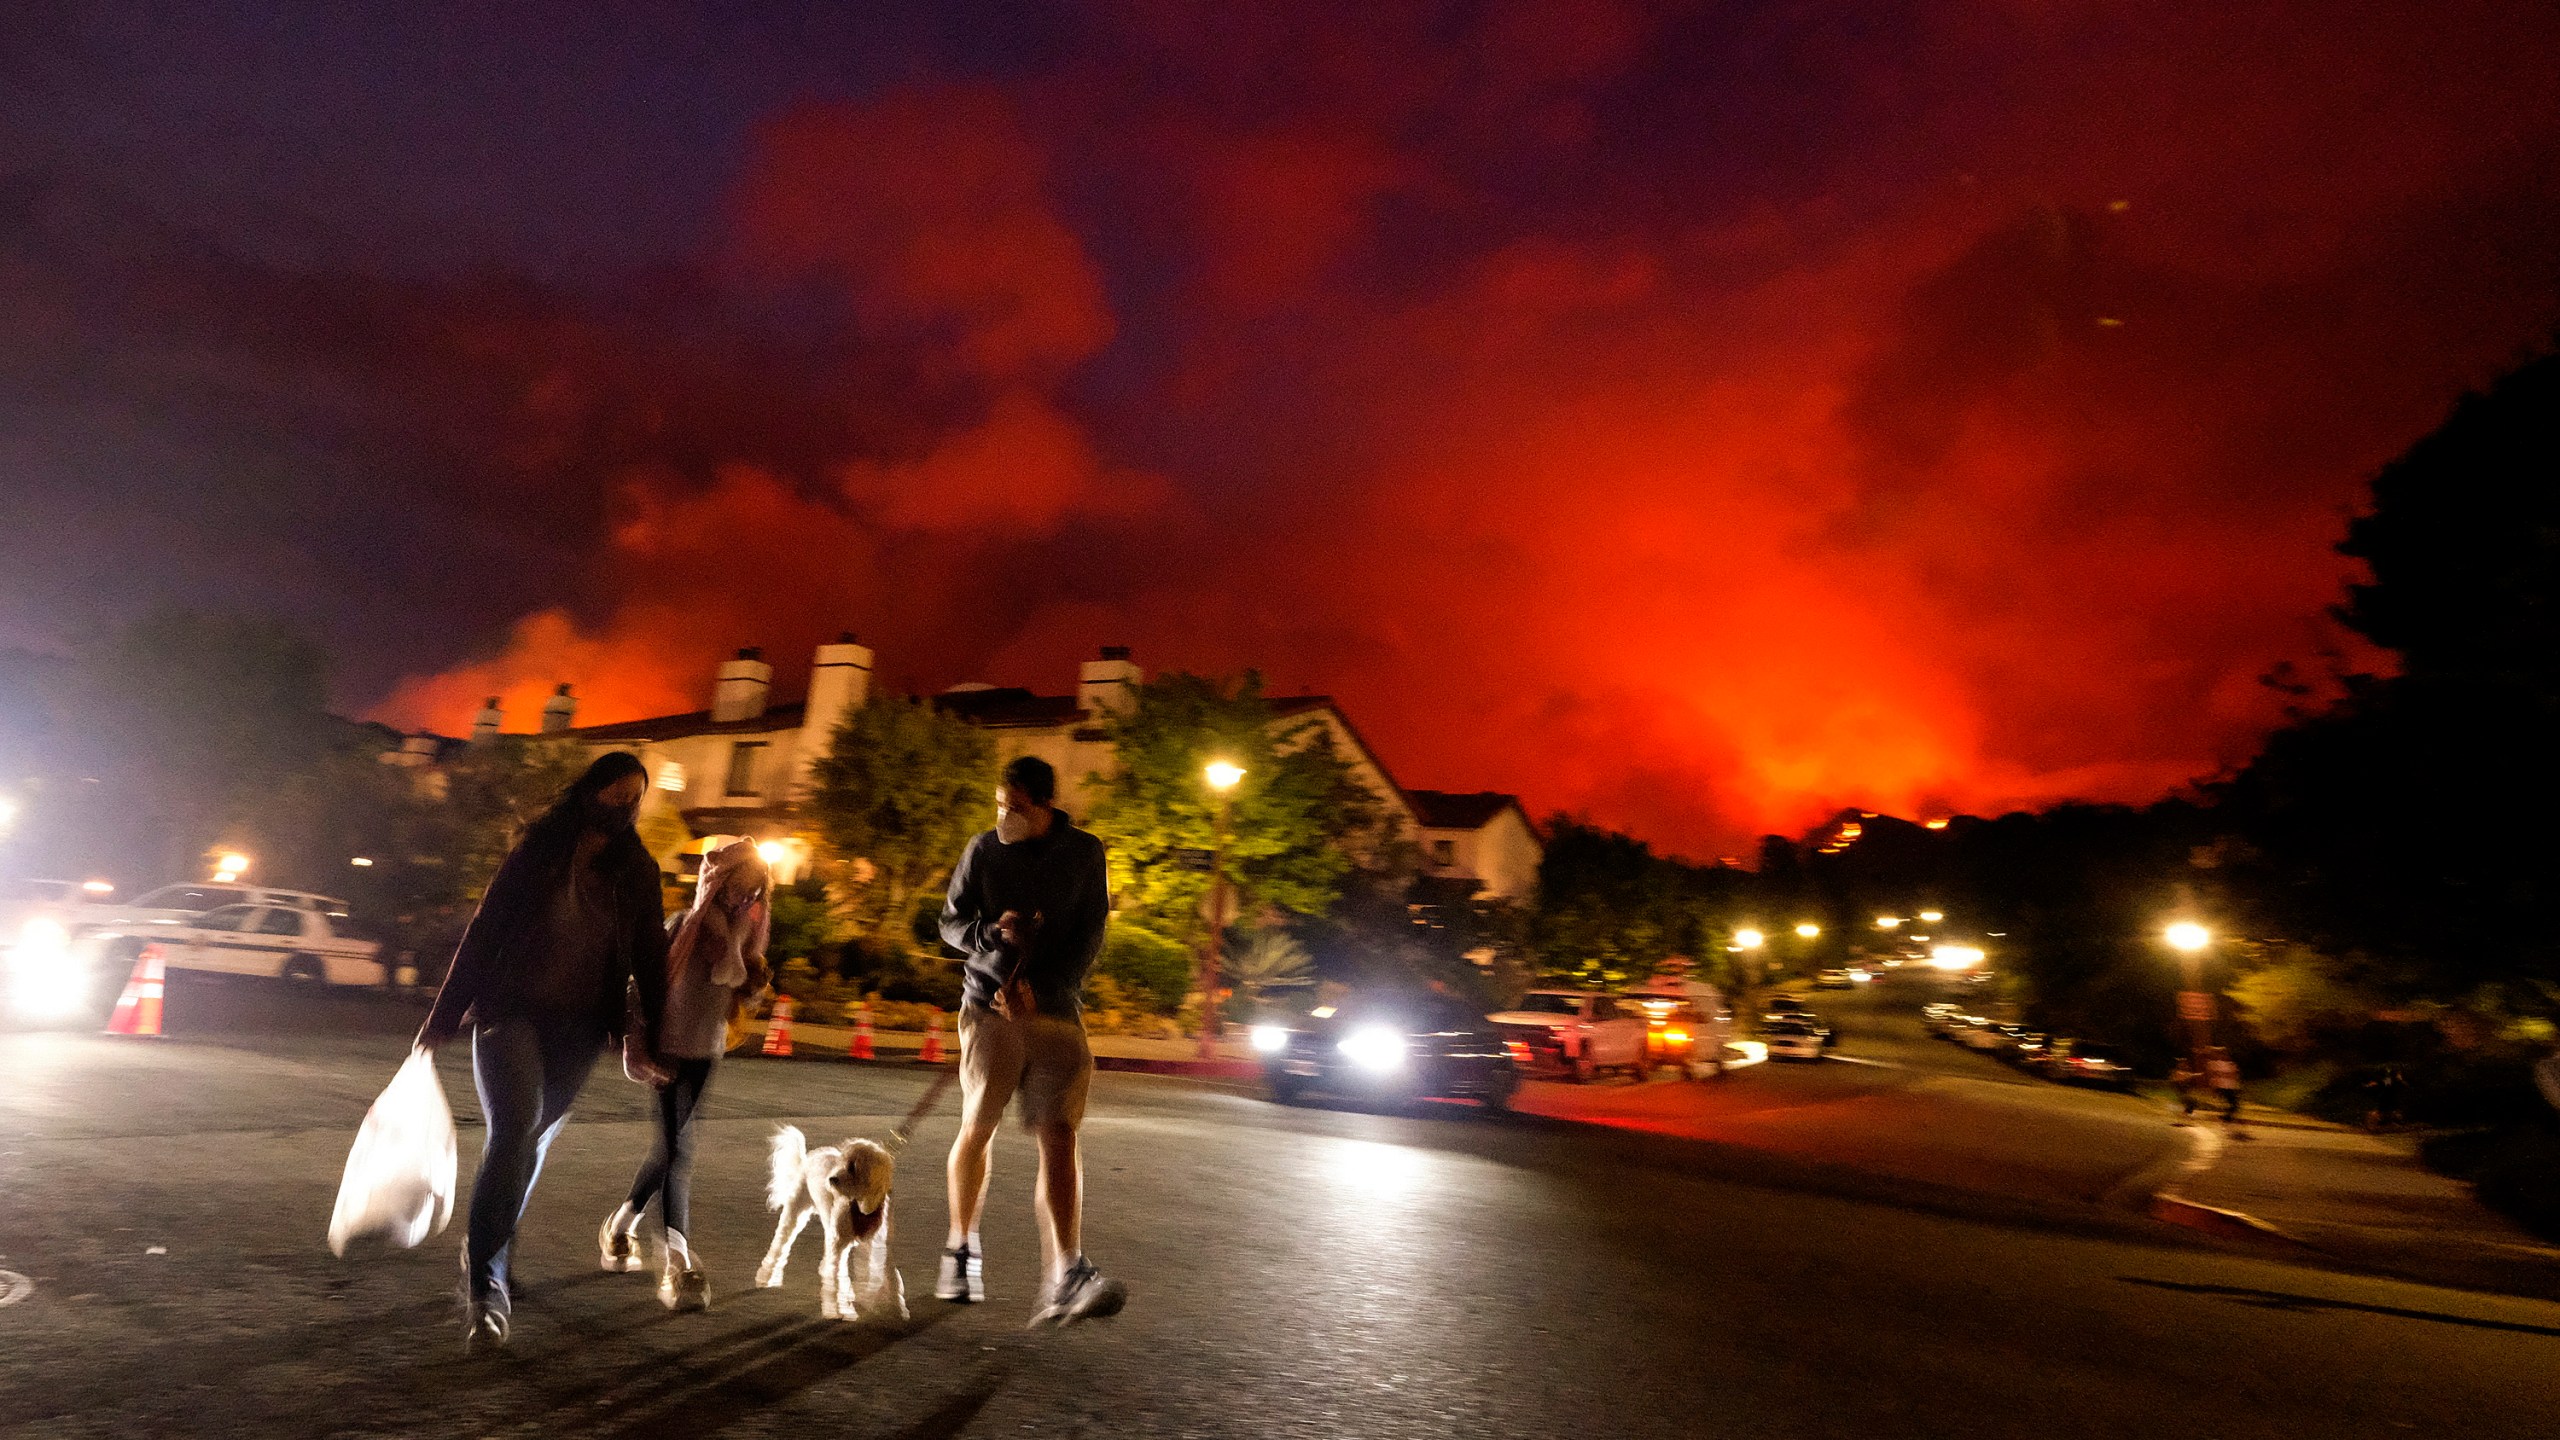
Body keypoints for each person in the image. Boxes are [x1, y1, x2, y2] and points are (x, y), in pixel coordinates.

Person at [417, 751, 670, 1353]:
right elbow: (486, 926)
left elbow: (652, 959)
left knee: (530, 1142)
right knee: (511, 1130)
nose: (625, 808)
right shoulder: (538, 849)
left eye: (636, 799)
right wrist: (445, 1012)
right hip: (509, 1010)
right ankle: (483, 1288)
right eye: (616, 795)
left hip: (579, 1029)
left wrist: (657, 1037)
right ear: (589, 790)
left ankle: (491, 1248)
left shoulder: (636, 869)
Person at [936, 754, 1124, 1326]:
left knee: (1059, 1134)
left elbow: (1092, 932)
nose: (1004, 816)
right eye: (999, 805)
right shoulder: (982, 850)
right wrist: (991, 933)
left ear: (1044, 805)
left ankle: (1066, 1269)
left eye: (1014, 807)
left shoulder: (1085, 853)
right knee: (978, 1126)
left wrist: (1046, 990)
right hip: (988, 1006)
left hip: (1056, 1011)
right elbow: (949, 923)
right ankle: (960, 1249)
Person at [599, 839, 770, 1311]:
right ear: (715, 882)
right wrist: (643, 1046)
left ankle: (620, 1226)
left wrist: (753, 983)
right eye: (737, 888)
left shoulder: (745, 938)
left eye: (753, 893)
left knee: (670, 1149)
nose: (743, 900)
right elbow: (646, 986)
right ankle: (677, 1260)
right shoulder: (685, 925)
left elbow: (737, 998)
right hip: (668, 1048)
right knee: (679, 1152)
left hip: (706, 1051)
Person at [2205, 1047, 2243, 1124]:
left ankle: (2225, 1118)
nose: (2225, 1055)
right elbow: (2214, 1074)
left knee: (2233, 1105)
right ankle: (2226, 1119)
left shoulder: (2230, 1064)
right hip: (2223, 1087)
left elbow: (2235, 1075)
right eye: (2222, 1054)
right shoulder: (2216, 1064)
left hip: (2231, 1086)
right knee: (2233, 1105)